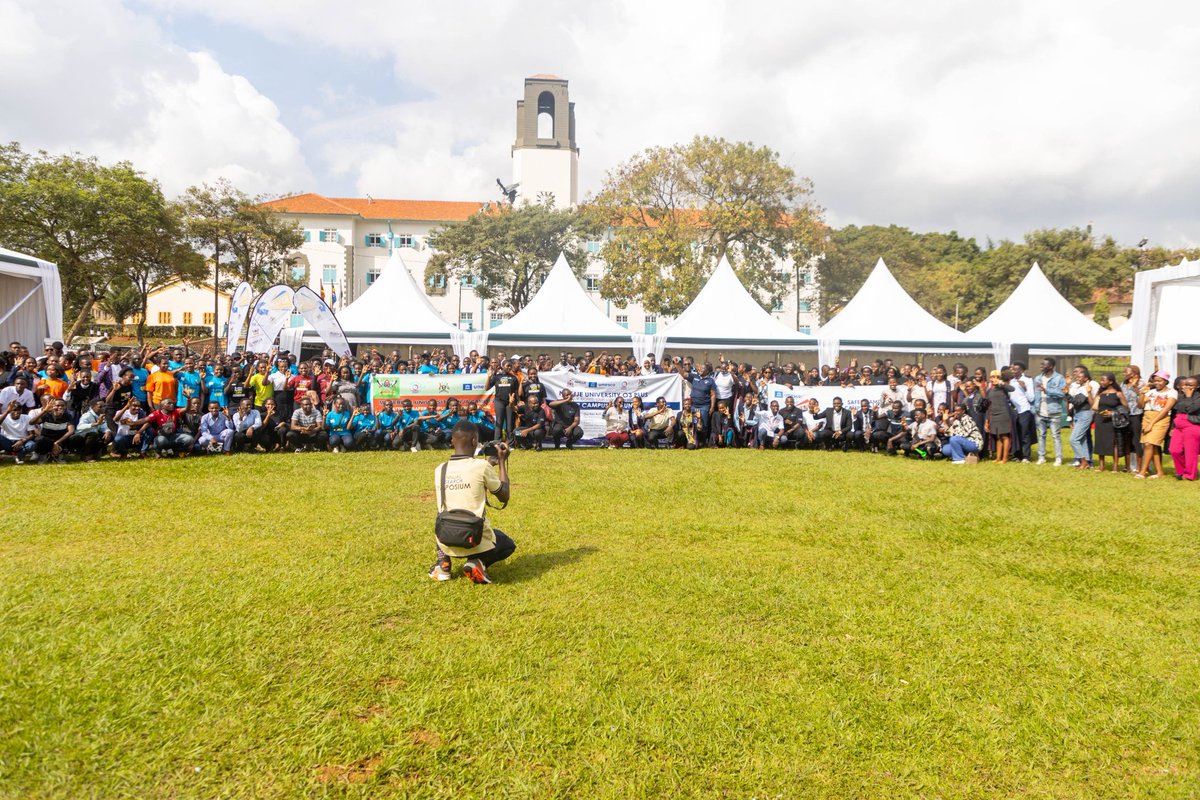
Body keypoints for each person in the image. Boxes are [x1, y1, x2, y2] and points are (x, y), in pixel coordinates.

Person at [429, 421, 514, 585]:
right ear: (475, 441)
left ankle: (443, 565)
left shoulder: (440, 469)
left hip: (446, 538)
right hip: (473, 537)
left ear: (452, 441)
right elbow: (504, 496)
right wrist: (502, 462)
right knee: (507, 543)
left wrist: (489, 464)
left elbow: (466, 474)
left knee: (444, 512)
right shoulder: (481, 466)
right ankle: (477, 561)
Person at [1136, 370, 1177, 479]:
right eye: (1155, 381)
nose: (1157, 383)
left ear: (1166, 381)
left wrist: (1151, 424)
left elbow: (1166, 409)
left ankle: (1142, 471)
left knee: (1150, 444)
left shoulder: (1172, 392)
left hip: (1161, 418)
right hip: (1147, 416)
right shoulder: (1151, 391)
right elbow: (1140, 405)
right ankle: (1159, 472)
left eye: (1160, 381)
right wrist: (1143, 393)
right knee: (1150, 445)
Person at [1091, 373, 1129, 474]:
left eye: (1103, 380)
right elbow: (1094, 407)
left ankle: (1115, 467)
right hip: (1100, 420)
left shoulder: (1118, 394)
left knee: (1114, 443)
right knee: (1100, 442)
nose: (1101, 382)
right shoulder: (1100, 393)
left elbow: (1126, 408)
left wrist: (1112, 413)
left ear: (1111, 381)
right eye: (1101, 380)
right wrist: (1090, 393)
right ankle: (1101, 466)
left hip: (1112, 421)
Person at [1033, 358, 1066, 466]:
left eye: (1044, 364)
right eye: (1041, 364)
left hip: (1054, 410)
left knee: (1055, 435)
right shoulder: (1038, 378)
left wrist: (1047, 390)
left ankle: (1058, 458)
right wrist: (1034, 408)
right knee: (1041, 435)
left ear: (1051, 366)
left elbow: (1062, 394)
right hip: (1040, 410)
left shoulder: (1059, 378)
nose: (1041, 366)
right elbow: (1035, 395)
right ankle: (1041, 457)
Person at [1168, 375, 1200, 481]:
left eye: (1190, 385)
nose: (1186, 387)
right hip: (1179, 425)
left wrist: (1189, 396)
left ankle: (1189, 474)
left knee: (1191, 452)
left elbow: (1191, 409)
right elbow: (1178, 410)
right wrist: (1173, 427)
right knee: (1174, 450)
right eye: (1185, 384)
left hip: (1192, 425)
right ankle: (1181, 471)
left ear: (1197, 386)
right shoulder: (1181, 396)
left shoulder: (1198, 397)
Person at [1066, 366, 1098, 469]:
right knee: (1082, 440)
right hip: (1077, 413)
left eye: (1080, 376)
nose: (1077, 378)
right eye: (1077, 376)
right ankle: (1086, 463)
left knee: (1073, 439)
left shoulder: (1087, 387)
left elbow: (1077, 401)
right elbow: (1070, 400)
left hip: (1085, 413)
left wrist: (1066, 394)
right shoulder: (1078, 386)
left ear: (1086, 378)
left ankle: (1083, 461)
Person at [1008, 361, 1038, 463]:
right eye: (1012, 369)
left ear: (1021, 370)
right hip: (1014, 411)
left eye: (1015, 369)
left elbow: (1031, 397)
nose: (1013, 371)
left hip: (1024, 410)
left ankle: (1026, 456)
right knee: (1016, 433)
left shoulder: (1028, 380)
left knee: (1025, 433)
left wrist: (1024, 387)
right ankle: (1017, 455)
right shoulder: (1010, 381)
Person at [985, 369, 1015, 465]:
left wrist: (1002, 383)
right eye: (993, 377)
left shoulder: (1003, 388)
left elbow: (1012, 389)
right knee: (998, 437)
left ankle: (1005, 459)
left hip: (1004, 414)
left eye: (997, 377)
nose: (995, 379)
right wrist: (987, 420)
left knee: (1005, 436)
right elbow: (987, 406)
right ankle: (998, 458)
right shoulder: (989, 391)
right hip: (993, 415)